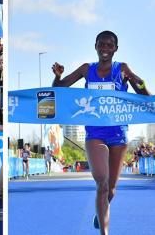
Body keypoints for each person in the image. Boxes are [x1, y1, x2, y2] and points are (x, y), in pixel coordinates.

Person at [52, 30, 150, 235]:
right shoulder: (87, 69)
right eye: (101, 45)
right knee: (101, 181)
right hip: (95, 133)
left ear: (116, 48)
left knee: (111, 190)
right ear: (95, 46)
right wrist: (58, 76)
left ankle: (100, 212)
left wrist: (133, 77)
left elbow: (143, 92)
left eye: (109, 45)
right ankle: (104, 232)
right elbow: (60, 88)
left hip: (119, 135)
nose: (105, 49)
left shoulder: (121, 69)